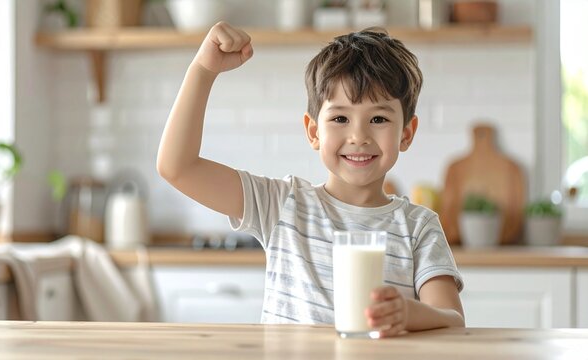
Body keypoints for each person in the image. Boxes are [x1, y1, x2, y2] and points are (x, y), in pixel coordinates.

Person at [157, 22, 464, 337]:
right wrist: (203, 70)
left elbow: (452, 317)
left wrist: (409, 314)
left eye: (379, 119)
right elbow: (177, 167)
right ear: (314, 131)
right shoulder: (282, 204)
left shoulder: (418, 227)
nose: (358, 136)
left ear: (407, 133)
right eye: (340, 118)